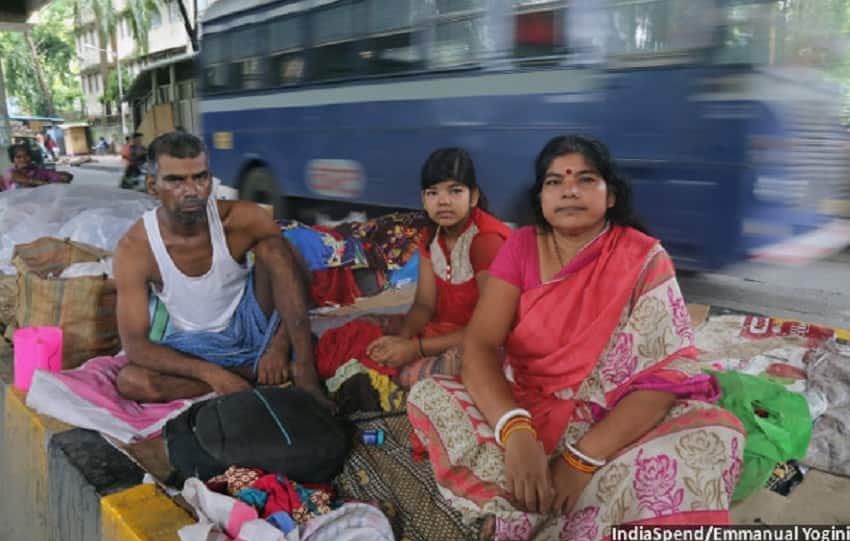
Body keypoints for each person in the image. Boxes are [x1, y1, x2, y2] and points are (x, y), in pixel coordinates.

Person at [407, 135, 745, 541]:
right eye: (554, 181)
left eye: (585, 179)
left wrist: (582, 459)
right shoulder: (521, 247)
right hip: (527, 400)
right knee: (428, 396)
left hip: (614, 409)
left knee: (717, 433)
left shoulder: (644, 258)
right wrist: (515, 432)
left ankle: (537, 507)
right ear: (541, 197)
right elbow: (480, 343)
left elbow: (666, 373)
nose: (568, 189)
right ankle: (548, 498)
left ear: (611, 195)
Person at [113, 131, 329, 408]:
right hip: (196, 345)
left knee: (274, 249)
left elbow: (299, 276)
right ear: (153, 186)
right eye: (176, 180)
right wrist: (212, 374)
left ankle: (303, 371)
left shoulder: (243, 218)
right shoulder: (135, 249)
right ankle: (250, 373)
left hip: (254, 323)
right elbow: (135, 345)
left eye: (199, 177)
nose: (191, 190)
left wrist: (279, 346)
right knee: (131, 382)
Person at [361, 147, 511, 387]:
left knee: (420, 375)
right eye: (433, 193)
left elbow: (490, 329)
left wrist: (414, 349)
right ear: (424, 199)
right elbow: (424, 305)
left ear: (473, 197)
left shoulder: (486, 241)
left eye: (455, 191)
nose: (443, 201)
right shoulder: (431, 236)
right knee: (364, 330)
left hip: (485, 340)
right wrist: (400, 342)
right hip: (442, 333)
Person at [1, 143, 73, 191]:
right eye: (18, 157)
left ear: (31, 157)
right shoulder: (9, 173)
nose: (23, 159)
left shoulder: (38, 172)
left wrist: (63, 176)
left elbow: (66, 176)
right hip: (14, 209)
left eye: (26, 156)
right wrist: (45, 184)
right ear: (13, 160)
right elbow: (20, 179)